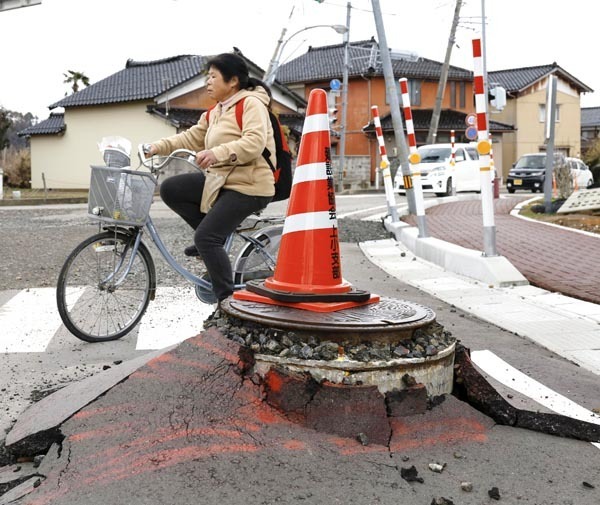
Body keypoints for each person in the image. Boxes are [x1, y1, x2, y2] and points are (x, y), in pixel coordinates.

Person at [145, 53, 276, 302]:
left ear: (233, 81)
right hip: (223, 181)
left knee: (206, 238)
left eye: (213, 76)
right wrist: (156, 146)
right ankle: (215, 236)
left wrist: (216, 153)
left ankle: (226, 302)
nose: (207, 81)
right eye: (208, 76)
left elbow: (254, 142)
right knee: (171, 188)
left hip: (250, 185)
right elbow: (190, 137)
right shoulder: (216, 111)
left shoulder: (251, 104)